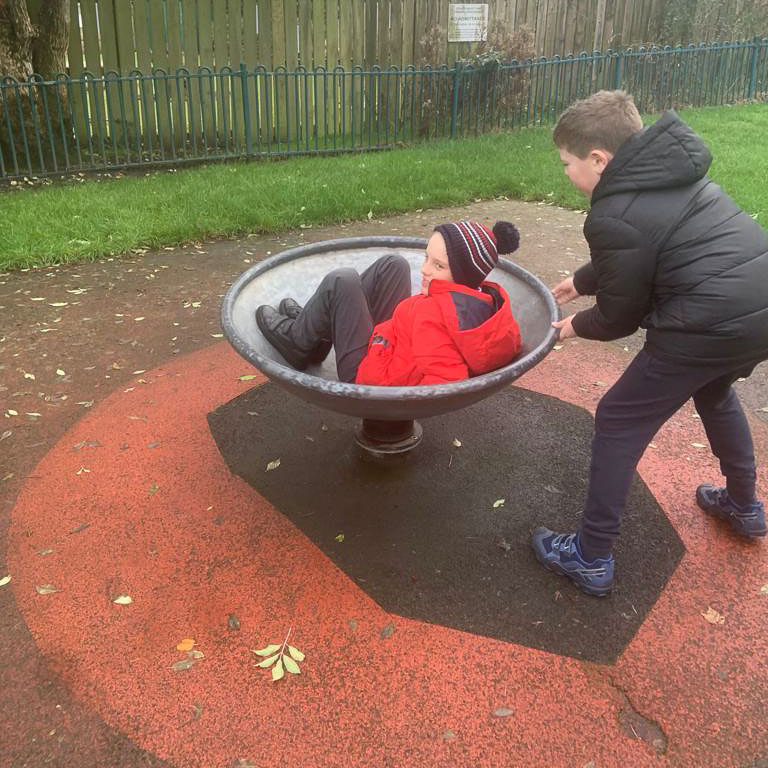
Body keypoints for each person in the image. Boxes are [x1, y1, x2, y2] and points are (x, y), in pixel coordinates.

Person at [532, 90, 768, 597]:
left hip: (706, 321)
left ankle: (591, 556)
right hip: (758, 308)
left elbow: (620, 317)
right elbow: (647, 244)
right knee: (714, 391)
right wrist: (582, 280)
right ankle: (745, 507)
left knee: (619, 417)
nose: (566, 173)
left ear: (599, 159)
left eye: (567, 163)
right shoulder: (666, 170)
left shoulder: (611, 211)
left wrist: (574, 327)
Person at [255, 220, 523, 387]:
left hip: (368, 375)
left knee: (343, 281)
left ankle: (298, 341)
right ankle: (318, 329)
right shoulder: (477, 298)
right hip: (392, 344)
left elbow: (446, 383)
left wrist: (394, 399)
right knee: (393, 265)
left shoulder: (434, 320)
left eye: (438, 265)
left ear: (464, 275)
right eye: (427, 257)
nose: (425, 270)